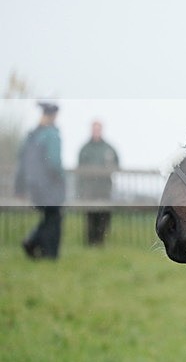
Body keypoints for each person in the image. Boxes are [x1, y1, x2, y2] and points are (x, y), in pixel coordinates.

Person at [14, 101, 66, 259]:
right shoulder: (51, 134)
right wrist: (62, 180)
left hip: (33, 185)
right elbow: (55, 162)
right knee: (54, 218)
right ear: (53, 116)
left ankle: (36, 244)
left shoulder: (31, 136)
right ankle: (47, 252)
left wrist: (19, 188)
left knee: (48, 217)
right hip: (49, 185)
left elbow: (21, 163)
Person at [77, 121, 119, 245]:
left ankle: (101, 241)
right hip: (89, 189)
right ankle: (91, 241)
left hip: (104, 188)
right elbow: (79, 169)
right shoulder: (85, 149)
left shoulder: (108, 148)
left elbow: (116, 164)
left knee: (104, 215)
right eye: (94, 129)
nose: (96, 131)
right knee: (91, 215)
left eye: (98, 129)